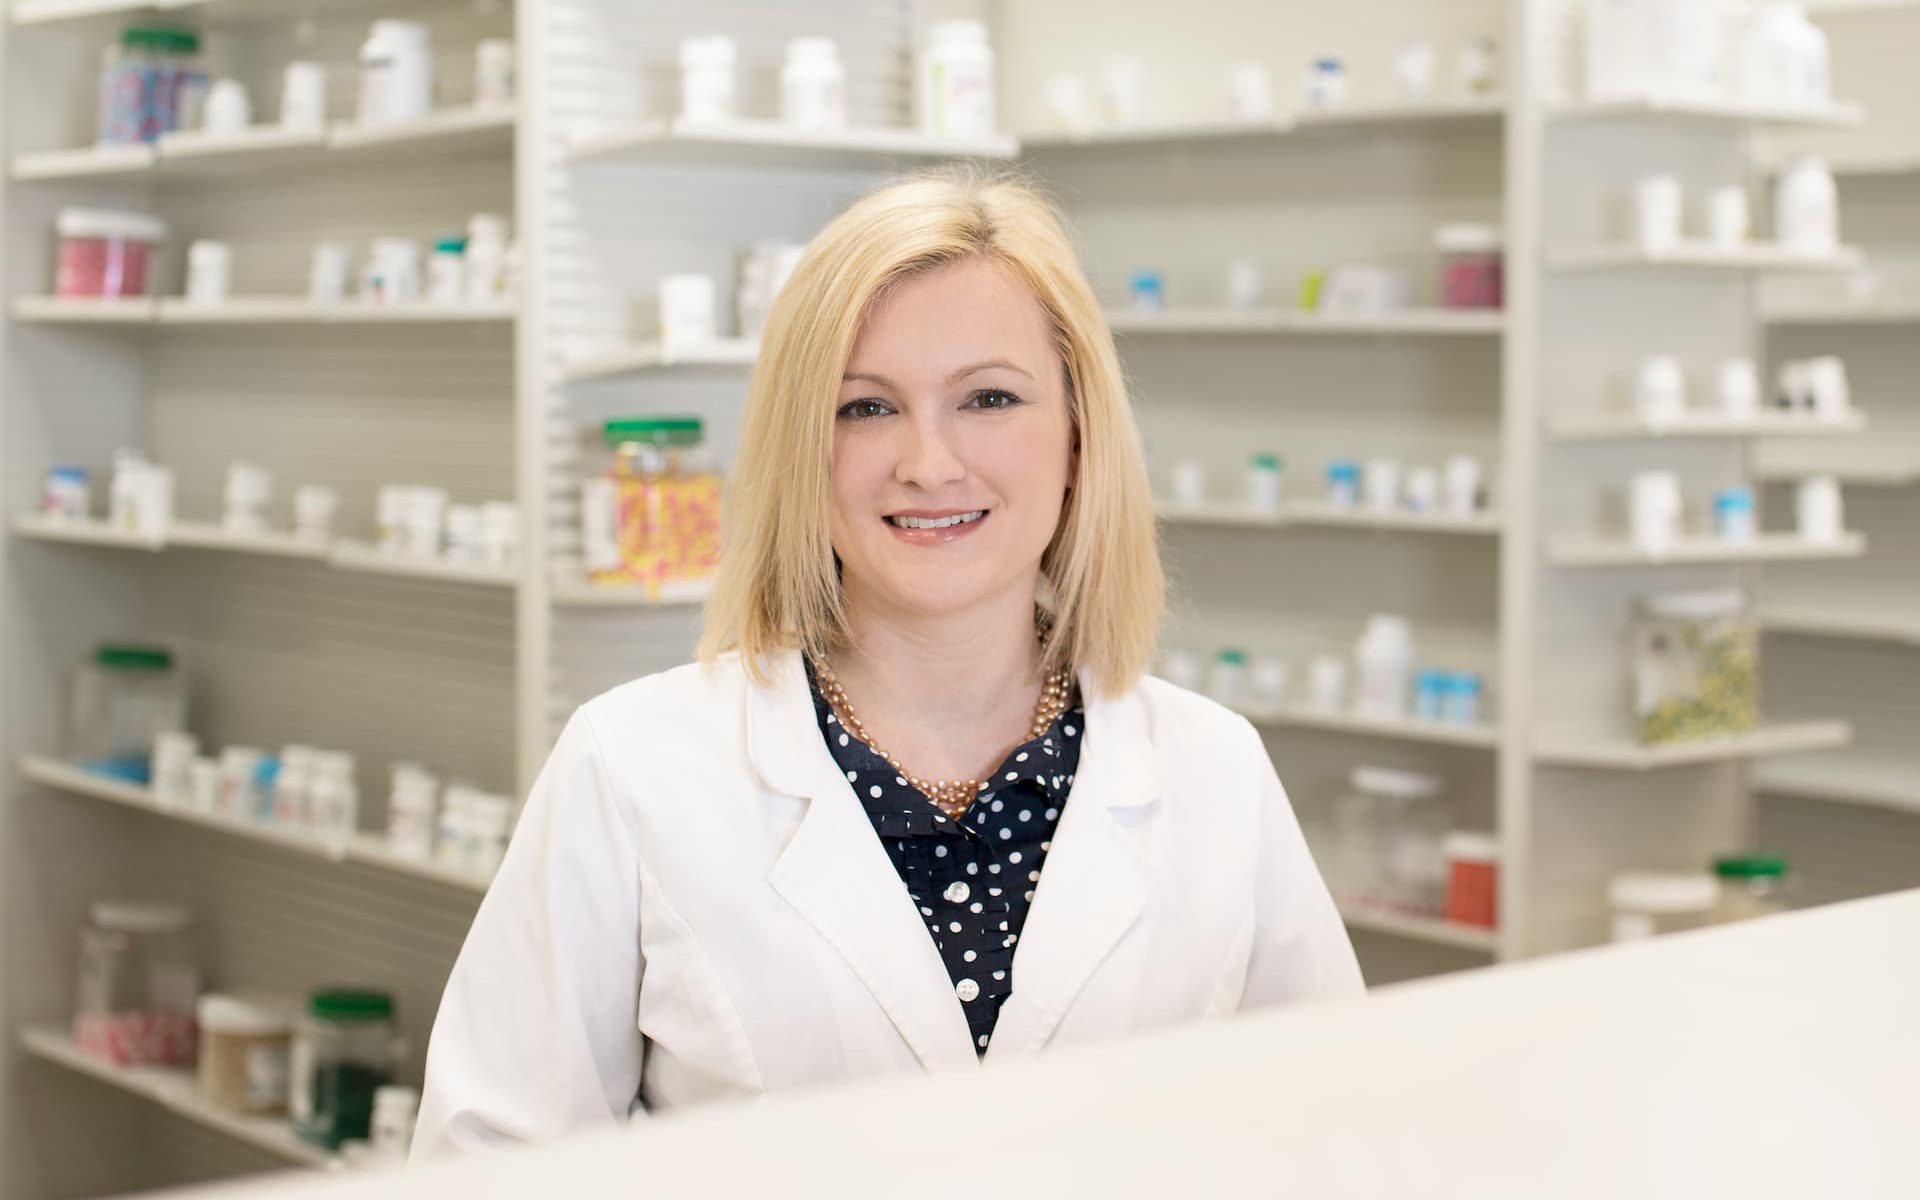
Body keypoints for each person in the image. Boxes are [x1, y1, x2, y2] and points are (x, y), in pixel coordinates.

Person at [412, 167, 1362, 1157]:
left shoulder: (1215, 770)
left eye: (989, 398)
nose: (930, 463)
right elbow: (484, 1163)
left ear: (1079, 438)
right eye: (866, 408)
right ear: (798, 451)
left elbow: (1336, 1139)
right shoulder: (633, 766)